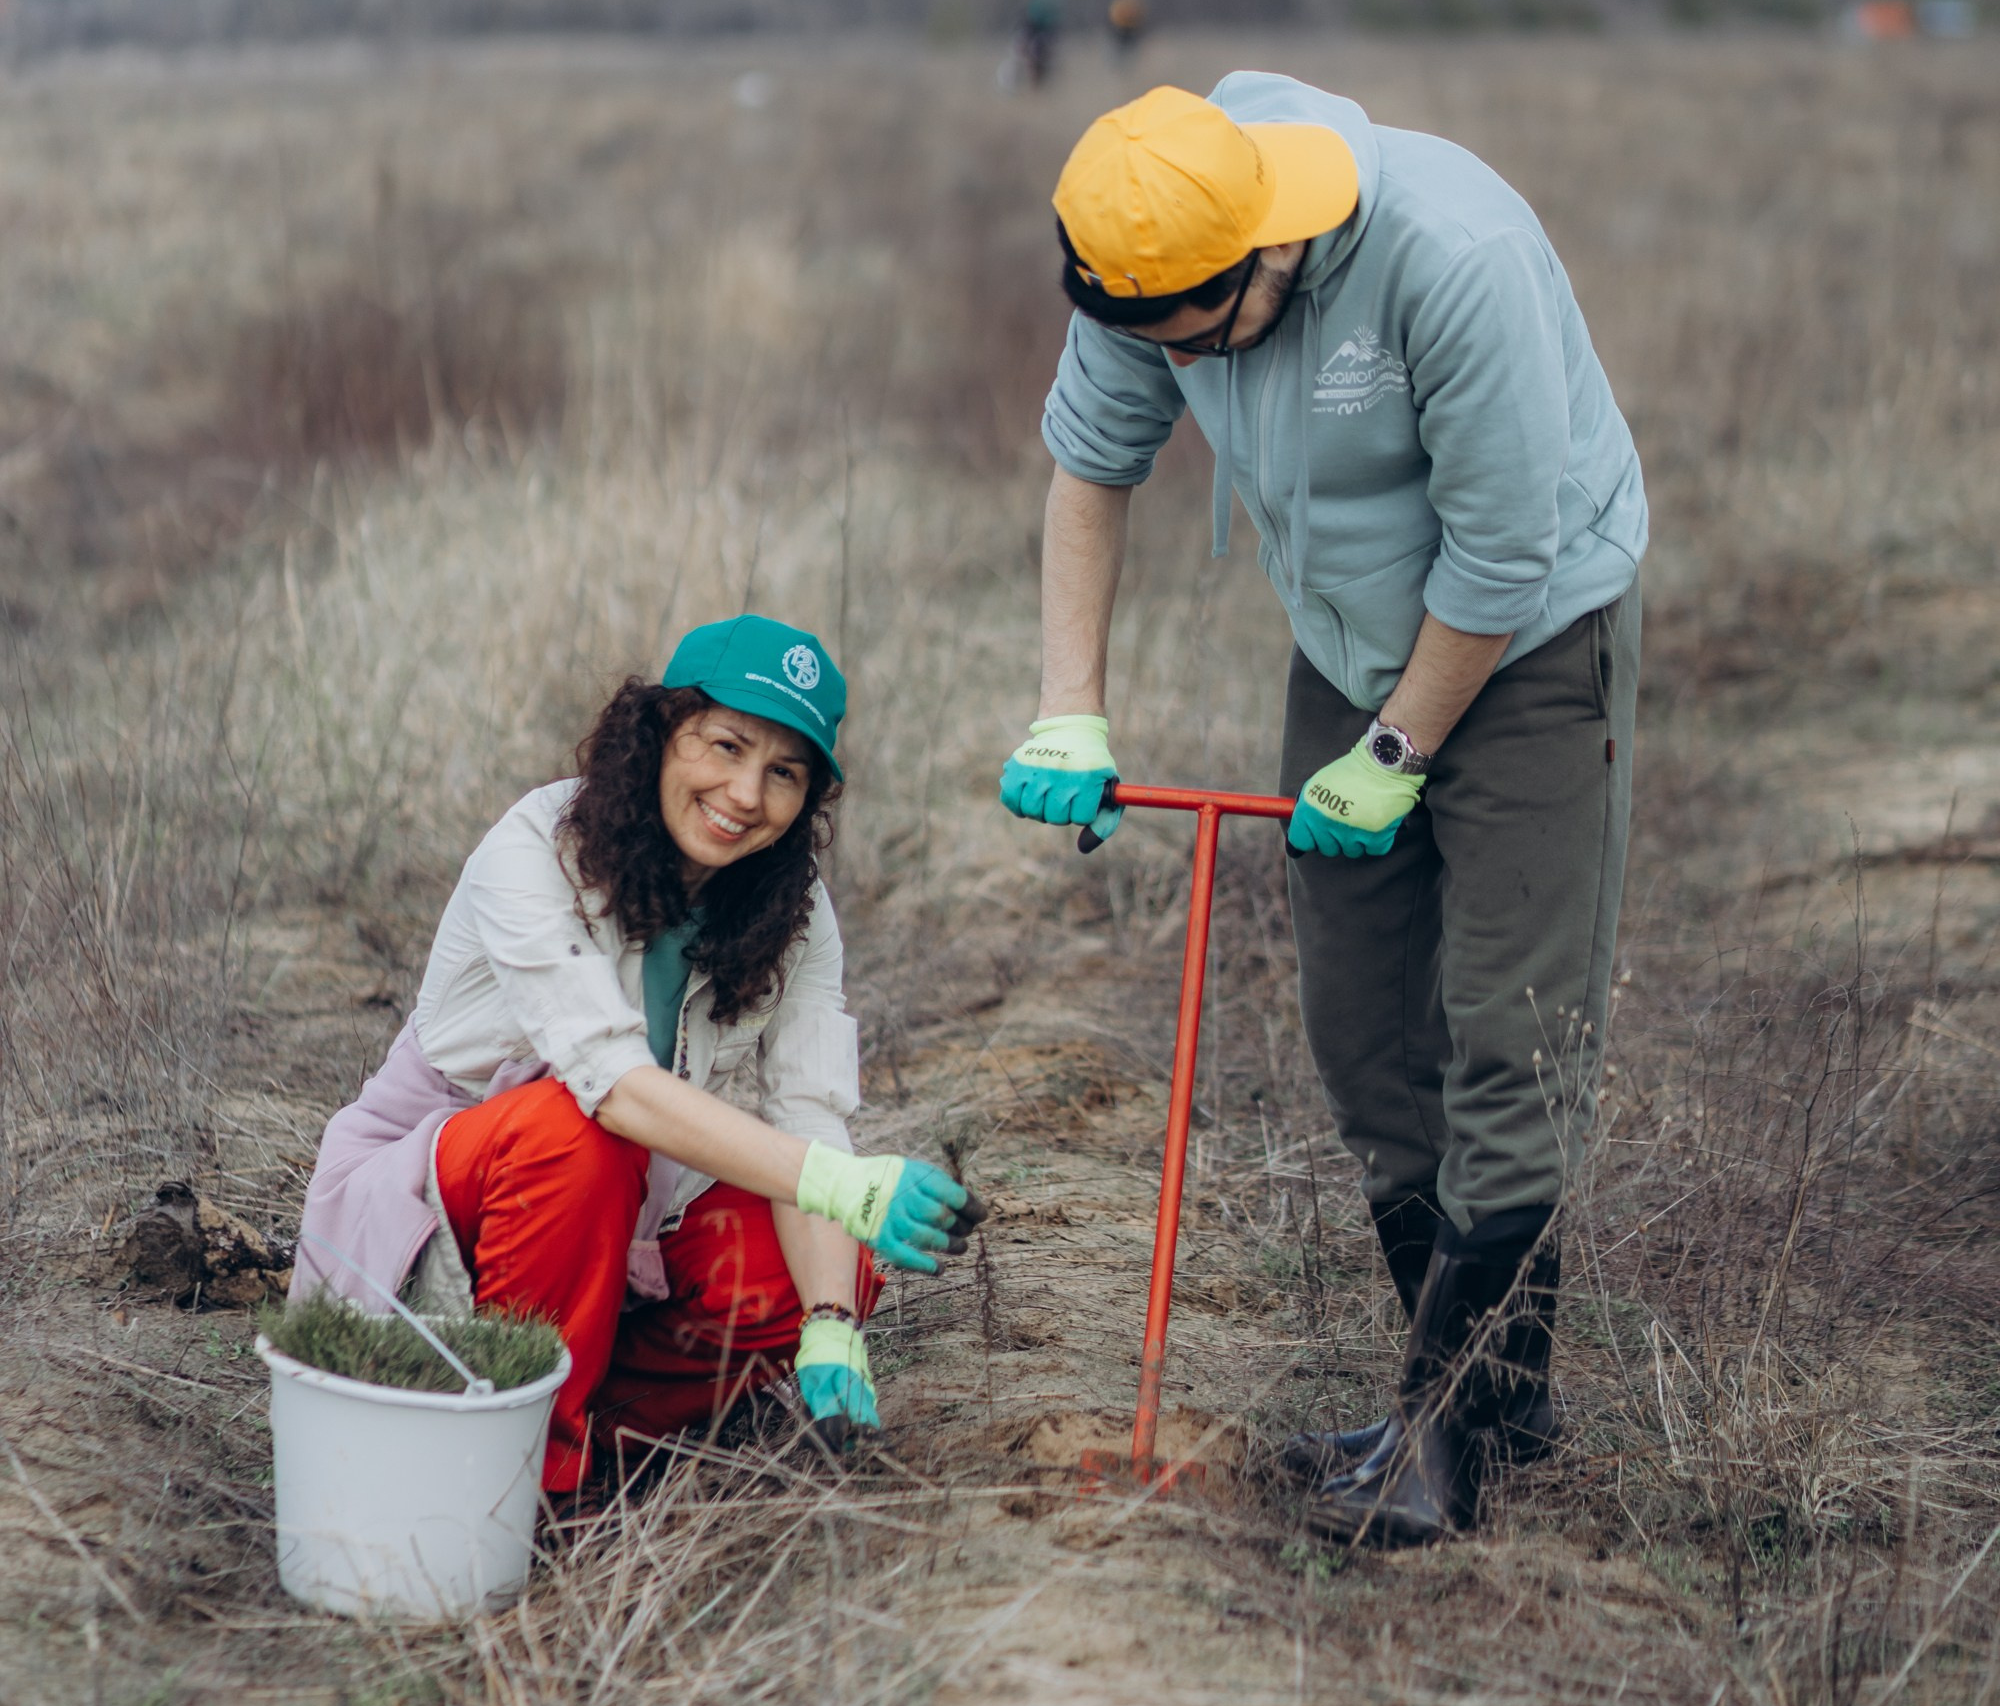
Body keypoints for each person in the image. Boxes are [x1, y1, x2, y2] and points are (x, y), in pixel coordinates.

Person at [1000, 79, 1646, 1547]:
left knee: (1508, 1026)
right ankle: (1493, 1398)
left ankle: (1448, 1436)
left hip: (1535, 630)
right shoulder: (1149, 248)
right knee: (1364, 1036)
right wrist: (1068, 705)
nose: (1171, 363)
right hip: (1350, 641)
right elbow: (1091, 472)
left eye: (1194, 338)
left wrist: (1404, 746)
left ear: (1268, 254)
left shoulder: (1449, 257)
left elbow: (1501, 549)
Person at [292, 614, 973, 1492]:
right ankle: (523, 1487)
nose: (744, 793)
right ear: (659, 730)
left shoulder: (793, 912)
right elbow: (609, 1087)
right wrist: (841, 1184)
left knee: (811, 1264)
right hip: (435, 1209)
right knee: (573, 1133)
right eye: (724, 745)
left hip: (618, 1223)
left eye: (784, 773)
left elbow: (811, 1114)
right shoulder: (538, 848)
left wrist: (834, 1319)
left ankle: (574, 1420)